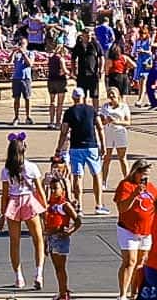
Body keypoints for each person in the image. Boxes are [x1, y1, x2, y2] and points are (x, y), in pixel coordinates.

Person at [0, 134, 47, 290]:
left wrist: (2, 214)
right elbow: (40, 191)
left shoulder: (6, 170)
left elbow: (4, 194)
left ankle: (18, 276)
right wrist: (45, 209)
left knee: (14, 242)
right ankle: (39, 273)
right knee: (38, 239)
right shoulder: (32, 167)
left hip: (13, 203)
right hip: (29, 202)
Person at [55, 86, 106, 216]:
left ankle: (79, 207)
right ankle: (99, 204)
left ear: (73, 98)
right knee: (96, 174)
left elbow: (64, 132)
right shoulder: (92, 110)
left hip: (76, 147)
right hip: (91, 146)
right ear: (83, 97)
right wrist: (103, 145)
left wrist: (59, 148)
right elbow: (100, 128)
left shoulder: (69, 112)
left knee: (77, 176)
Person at [114, 159, 157, 300]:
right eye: (143, 174)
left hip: (146, 231)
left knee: (141, 263)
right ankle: (122, 294)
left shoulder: (150, 188)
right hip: (128, 229)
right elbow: (122, 208)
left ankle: (134, 293)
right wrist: (134, 195)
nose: (145, 178)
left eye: (147, 175)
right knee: (130, 261)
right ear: (136, 173)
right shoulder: (126, 185)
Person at [42, 165, 80, 300]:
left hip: (60, 238)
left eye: (55, 188)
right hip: (51, 238)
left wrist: (69, 231)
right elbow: (46, 225)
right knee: (57, 268)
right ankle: (62, 290)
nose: (53, 191)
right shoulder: (50, 204)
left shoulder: (65, 205)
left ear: (63, 190)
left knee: (60, 268)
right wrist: (45, 242)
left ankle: (63, 293)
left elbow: (78, 221)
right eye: (51, 188)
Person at [101, 88, 133, 181]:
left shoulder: (124, 106)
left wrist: (117, 122)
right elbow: (101, 121)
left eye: (113, 95)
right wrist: (106, 121)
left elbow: (128, 122)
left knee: (122, 158)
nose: (111, 97)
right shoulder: (105, 106)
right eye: (109, 94)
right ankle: (104, 181)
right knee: (107, 158)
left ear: (117, 95)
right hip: (108, 133)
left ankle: (127, 180)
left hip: (120, 133)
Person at [10, 38, 35, 127]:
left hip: (26, 78)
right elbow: (10, 61)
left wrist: (23, 53)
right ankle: (16, 117)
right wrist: (13, 52)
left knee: (27, 98)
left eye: (23, 43)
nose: (21, 45)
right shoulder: (16, 54)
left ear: (26, 44)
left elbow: (30, 64)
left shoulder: (30, 53)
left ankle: (28, 117)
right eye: (20, 43)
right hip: (16, 78)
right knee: (16, 98)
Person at [45, 44, 70, 129]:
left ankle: (51, 121)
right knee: (60, 104)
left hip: (51, 80)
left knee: (52, 102)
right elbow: (64, 70)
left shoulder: (51, 58)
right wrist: (70, 74)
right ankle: (58, 123)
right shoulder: (61, 59)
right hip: (60, 81)